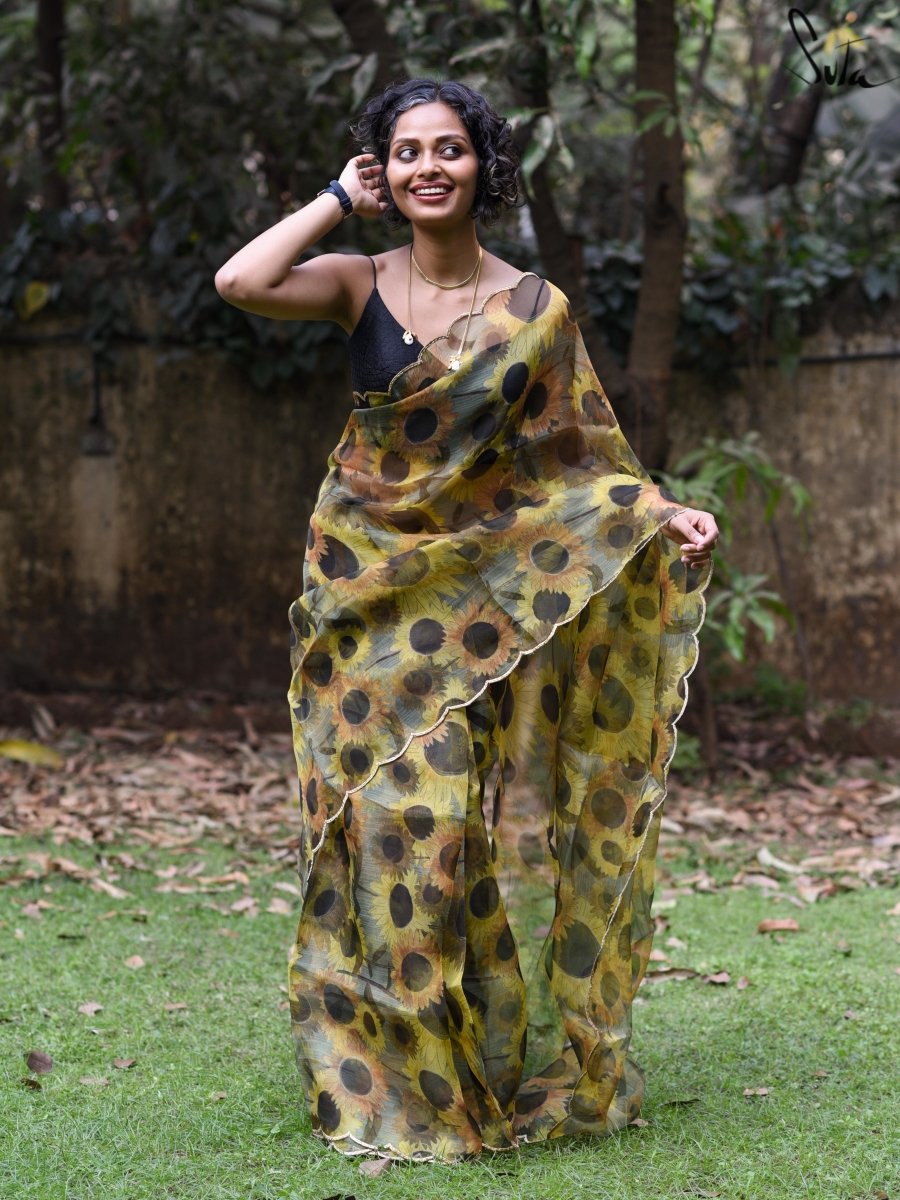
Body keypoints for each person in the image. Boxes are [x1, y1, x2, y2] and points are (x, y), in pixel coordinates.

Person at [215, 78, 719, 1164]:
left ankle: (457, 1066)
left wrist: (657, 510)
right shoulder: (358, 280)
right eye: (405, 154)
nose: (427, 168)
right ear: (383, 173)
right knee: (391, 827)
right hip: (359, 599)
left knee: (446, 835)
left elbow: (577, 459)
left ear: (484, 167)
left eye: (449, 150)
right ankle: (387, 1086)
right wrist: (332, 200)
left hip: (470, 617)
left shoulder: (534, 310)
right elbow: (240, 280)